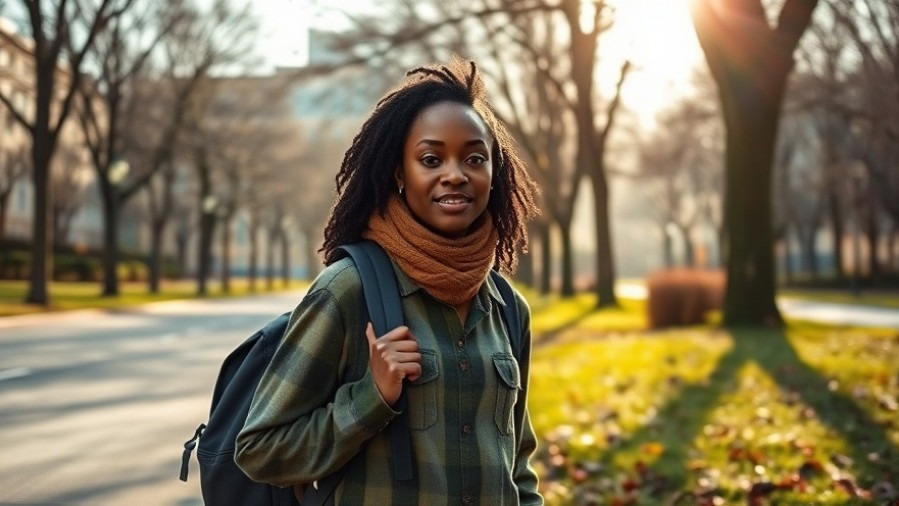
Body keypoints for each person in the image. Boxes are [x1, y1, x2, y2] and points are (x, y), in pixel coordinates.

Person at [235, 56, 543, 505]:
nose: (455, 174)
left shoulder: (508, 308)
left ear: (494, 172)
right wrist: (371, 397)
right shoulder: (347, 290)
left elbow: (517, 467)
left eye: (474, 158)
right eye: (431, 158)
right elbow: (261, 450)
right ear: (401, 173)